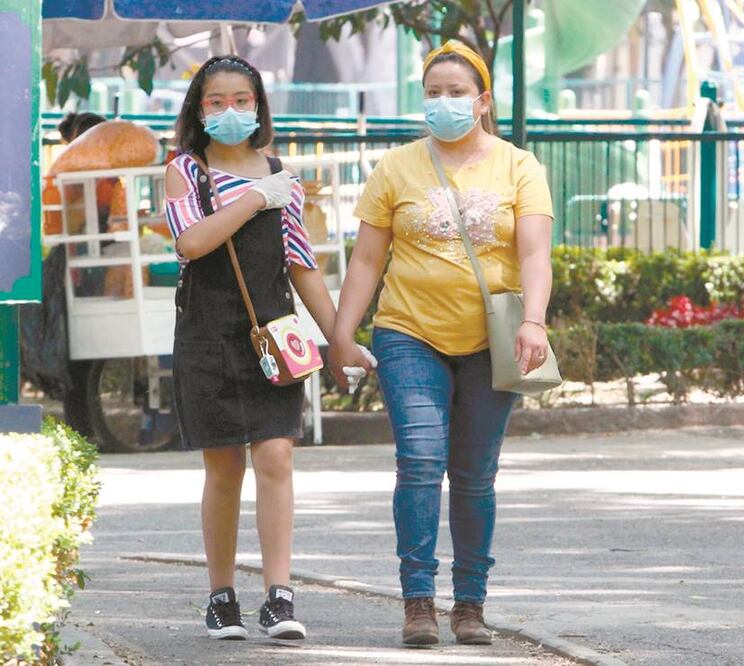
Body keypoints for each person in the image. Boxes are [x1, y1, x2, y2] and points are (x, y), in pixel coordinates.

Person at [329, 41, 554, 647]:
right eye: (433, 93)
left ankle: (471, 605)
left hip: (493, 341)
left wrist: (534, 320)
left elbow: (535, 253)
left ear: (482, 101)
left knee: (476, 474)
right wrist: (341, 335)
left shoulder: (519, 167)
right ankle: (419, 602)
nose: (444, 103)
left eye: (456, 93)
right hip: (409, 332)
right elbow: (367, 260)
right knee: (422, 462)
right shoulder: (395, 168)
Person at [163, 55, 337, 641]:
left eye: (242, 100)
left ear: (259, 106)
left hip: (273, 332)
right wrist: (254, 198)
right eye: (217, 101)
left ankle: (279, 597)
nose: (230, 110)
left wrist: (340, 338)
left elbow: (301, 263)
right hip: (206, 333)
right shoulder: (186, 171)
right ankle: (221, 596)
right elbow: (191, 242)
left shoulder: (278, 171)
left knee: (276, 457)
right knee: (223, 465)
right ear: (199, 108)